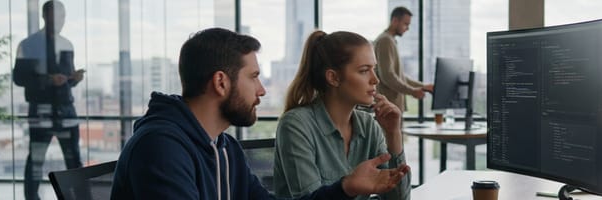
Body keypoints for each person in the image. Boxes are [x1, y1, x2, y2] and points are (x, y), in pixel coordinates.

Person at [110, 28, 410, 200]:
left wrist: (345, 188)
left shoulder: (225, 149)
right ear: (221, 82)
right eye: (253, 77)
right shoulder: (160, 148)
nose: (263, 90)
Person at [274, 30, 410, 200]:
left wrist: (393, 134)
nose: (375, 79)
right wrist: (349, 186)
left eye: (374, 69)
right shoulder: (296, 125)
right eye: (364, 70)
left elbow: (399, 198)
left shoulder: (368, 125)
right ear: (333, 78)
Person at [13, 1, 85, 199]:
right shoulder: (29, 45)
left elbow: (66, 81)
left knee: (74, 162)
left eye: (63, 16)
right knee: (35, 162)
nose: (61, 21)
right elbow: (19, 78)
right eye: (56, 16)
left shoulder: (67, 44)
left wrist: (74, 79)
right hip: (41, 112)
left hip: (66, 110)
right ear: (45, 16)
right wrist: (47, 80)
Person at [374, 7, 433, 111]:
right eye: (406, 24)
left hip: (393, 106)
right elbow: (388, 76)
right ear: (395, 21)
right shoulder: (385, 41)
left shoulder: (390, 40)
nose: (407, 28)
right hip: (388, 107)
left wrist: (423, 86)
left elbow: (399, 76)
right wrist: (412, 91)